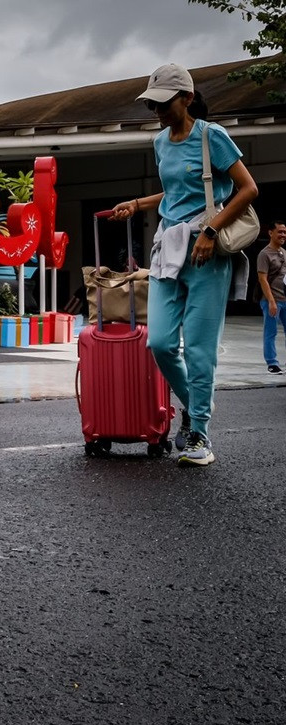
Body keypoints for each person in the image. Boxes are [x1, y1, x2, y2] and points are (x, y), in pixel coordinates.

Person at [112, 64, 258, 468]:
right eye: (152, 105)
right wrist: (137, 204)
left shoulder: (212, 136)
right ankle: (195, 408)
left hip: (207, 252)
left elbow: (248, 188)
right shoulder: (161, 142)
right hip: (169, 248)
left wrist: (211, 230)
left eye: (164, 104)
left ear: (187, 98)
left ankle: (200, 435)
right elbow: (175, 191)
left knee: (198, 348)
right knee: (159, 342)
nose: (157, 111)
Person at [256, 220, 286, 374]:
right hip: (271, 300)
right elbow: (263, 279)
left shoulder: (284, 252)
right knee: (271, 332)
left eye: (285, 232)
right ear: (270, 233)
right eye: (280, 232)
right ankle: (272, 363)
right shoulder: (264, 254)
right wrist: (271, 301)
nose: (283, 235)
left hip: (284, 298)